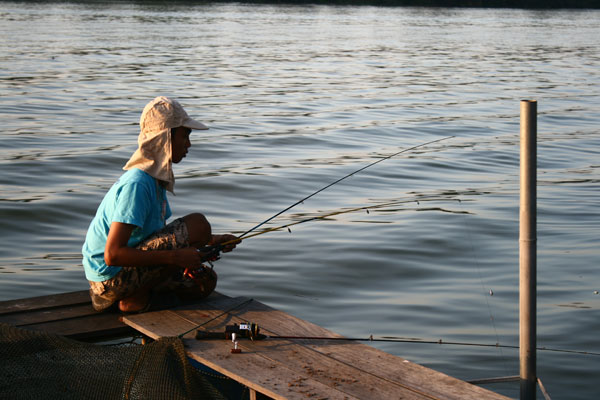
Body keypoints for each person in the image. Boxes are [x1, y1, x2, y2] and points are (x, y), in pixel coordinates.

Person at [82, 96, 238, 313]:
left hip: (123, 275)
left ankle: (142, 297)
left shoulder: (154, 179)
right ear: (165, 137)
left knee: (205, 281)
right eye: (185, 136)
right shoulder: (137, 184)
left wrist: (212, 242)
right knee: (198, 224)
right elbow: (113, 255)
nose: (189, 144)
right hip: (109, 282)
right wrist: (176, 257)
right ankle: (133, 300)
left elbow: (153, 238)